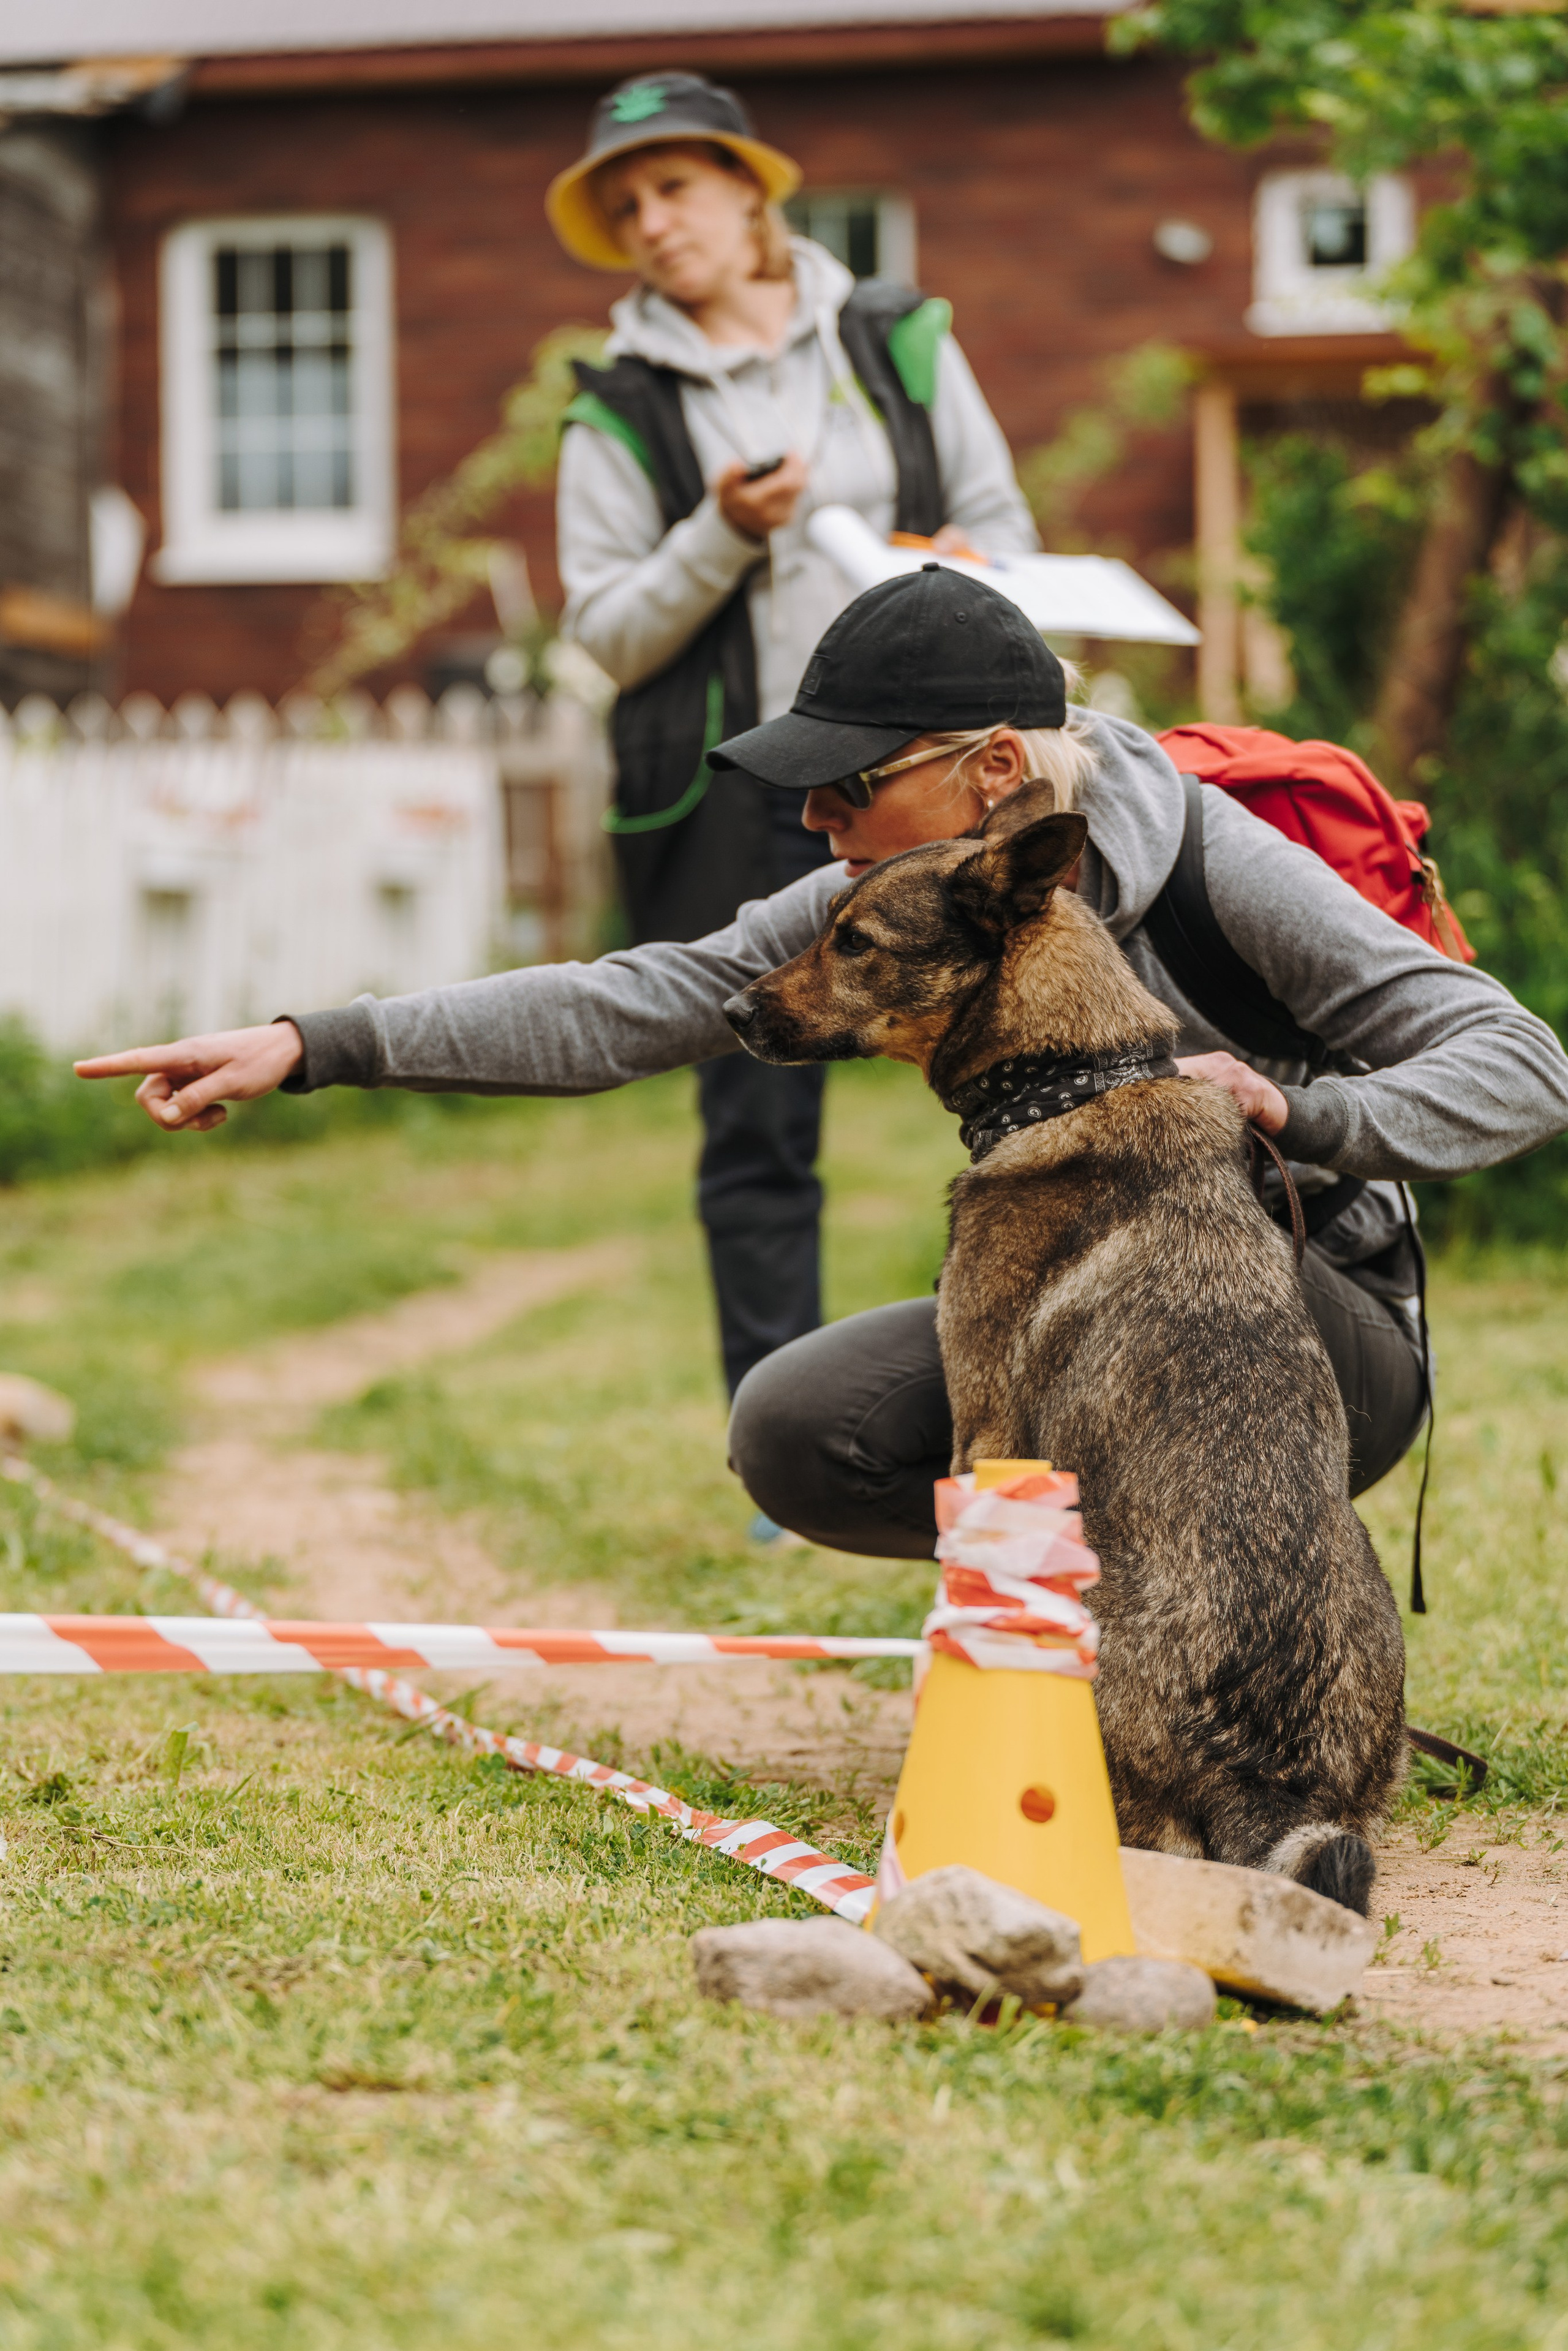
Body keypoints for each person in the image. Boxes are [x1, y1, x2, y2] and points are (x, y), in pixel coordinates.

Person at [76, 566, 1568, 1561]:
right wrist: (313, 1042)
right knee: (802, 1430)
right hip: (1085, 1311)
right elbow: (639, 998)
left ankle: (1213, 1636)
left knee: (1135, 1276)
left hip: (1317, 1335)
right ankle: (1073, 1641)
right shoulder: (888, 885)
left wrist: (1294, 1107)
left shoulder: (1210, 863)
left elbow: (1520, 1062)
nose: (813, 824)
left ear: (993, 771)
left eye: (846, 785)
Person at [545, 70, 1038, 1435]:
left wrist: (969, 562)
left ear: (748, 189)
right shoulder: (615, 405)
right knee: (755, 1121)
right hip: (746, 795)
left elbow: (1005, 525)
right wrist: (720, 532)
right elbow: (607, 632)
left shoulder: (896, 339)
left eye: (673, 187)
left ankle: (1032, 1401)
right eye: (624, 208)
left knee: (1027, 1067)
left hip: (939, 784)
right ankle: (790, 1431)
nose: (651, 222)